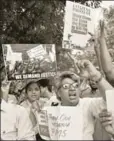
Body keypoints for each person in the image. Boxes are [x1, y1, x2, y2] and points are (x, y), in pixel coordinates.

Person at [36, 60, 114, 140]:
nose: (72, 88)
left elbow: (111, 98)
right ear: (58, 92)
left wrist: (96, 75)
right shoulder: (51, 111)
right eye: (66, 86)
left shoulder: (87, 104)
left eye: (76, 85)